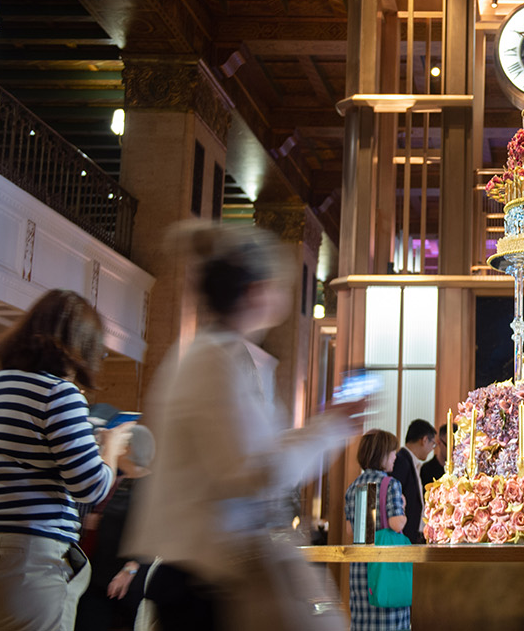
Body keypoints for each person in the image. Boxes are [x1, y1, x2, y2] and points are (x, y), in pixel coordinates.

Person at [125, 222, 369, 631]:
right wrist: (329, 428)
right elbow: (250, 471)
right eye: (275, 285)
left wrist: (327, 427)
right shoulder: (213, 361)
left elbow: (257, 457)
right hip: (205, 578)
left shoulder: (219, 355)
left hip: (211, 573)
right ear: (256, 291)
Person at [0, 289, 135, 631]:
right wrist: (111, 448)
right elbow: (91, 487)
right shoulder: (57, 393)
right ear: (81, 345)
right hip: (23, 559)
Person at [75, 424, 156, 631]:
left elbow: (154, 535)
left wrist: (130, 569)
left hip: (128, 579)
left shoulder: (154, 486)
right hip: (98, 575)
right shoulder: (117, 482)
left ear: (129, 449)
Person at [345, 429, 410, 631]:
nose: (395, 456)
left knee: (363, 623)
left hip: (361, 566)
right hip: (384, 565)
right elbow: (396, 524)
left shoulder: (354, 486)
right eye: (392, 451)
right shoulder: (390, 484)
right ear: (381, 454)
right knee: (389, 618)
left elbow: (352, 530)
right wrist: (403, 507)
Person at [391, 419, 436, 544]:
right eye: (433, 444)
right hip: (403, 534)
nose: (432, 449)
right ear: (424, 440)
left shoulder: (410, 461)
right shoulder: (401, 461)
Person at [419, 422, 452, 488]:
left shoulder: (459, 470)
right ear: (439, 442)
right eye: (448, 447)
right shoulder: (427, 469)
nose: (452, 451)